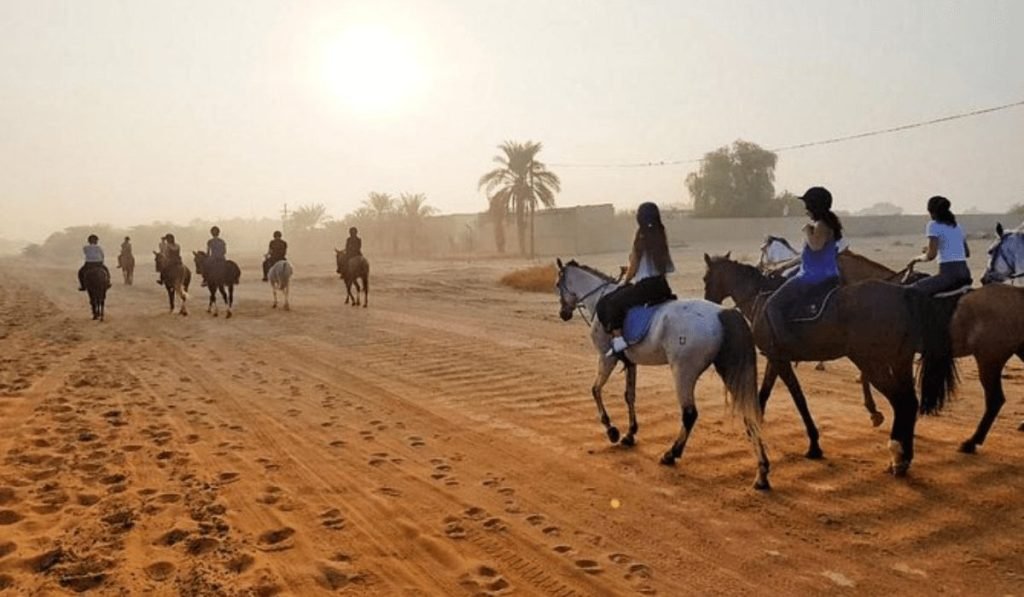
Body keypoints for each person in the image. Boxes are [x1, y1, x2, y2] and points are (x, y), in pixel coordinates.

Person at [763, 186, 843, 354]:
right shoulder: (826, 224)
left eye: (807, 205)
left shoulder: (821, 225)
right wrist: (782, 267)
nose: (806, 210)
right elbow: (805, 256)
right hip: (822, 275)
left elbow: (815, 246)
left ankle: (784, 345)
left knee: (772, 305)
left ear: (814, 206)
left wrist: (807, 230)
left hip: (812, 278)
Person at [596, 202, 676, 356]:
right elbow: (664, 266)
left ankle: (619, 340)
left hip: (645, 287)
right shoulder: (660, 234)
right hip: (662, 286)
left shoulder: (641, 237)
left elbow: (633, 269)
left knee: (613, 302)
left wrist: (624, 282)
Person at [906, 195, 972, 295]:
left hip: (948, 275)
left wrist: (914, 259)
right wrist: (931, 249)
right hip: (965, 274)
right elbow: (966, 253)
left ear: (932, 212)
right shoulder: (957, 226)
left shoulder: (933, 225)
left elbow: (931, 256)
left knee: (910, 291)